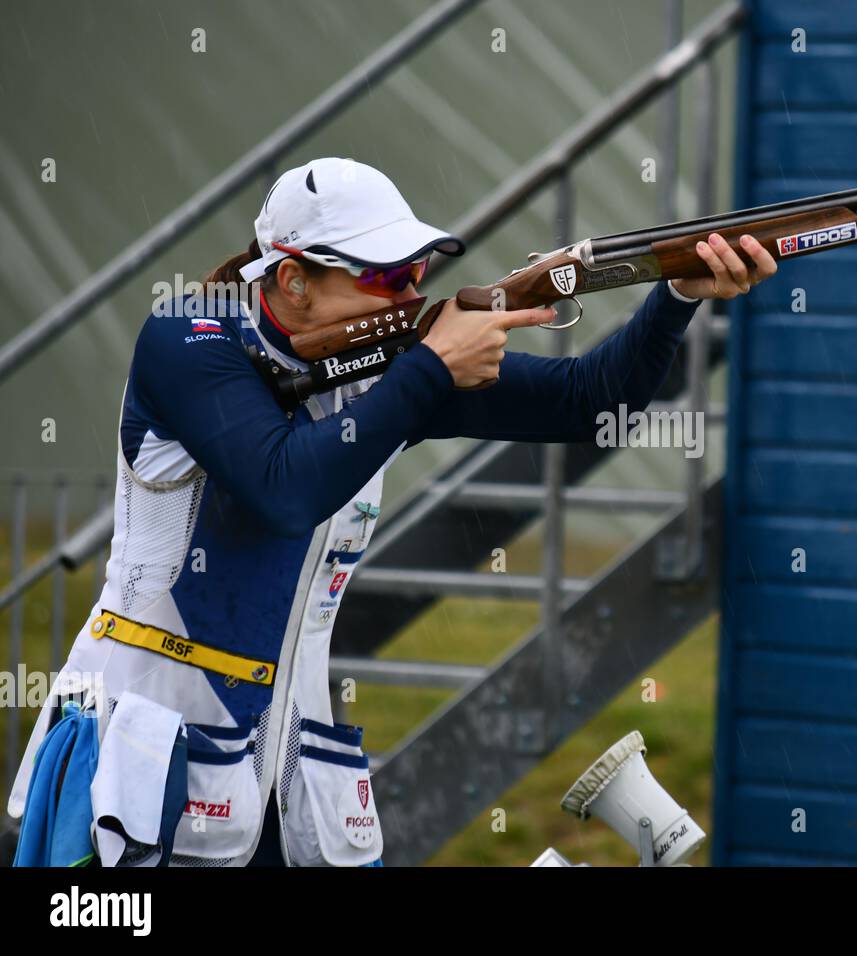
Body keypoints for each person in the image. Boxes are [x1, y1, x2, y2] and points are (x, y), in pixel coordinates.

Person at [6, 157, 776, 866]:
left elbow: (590, 402)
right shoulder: (188, 334)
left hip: (286, 779)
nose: (413, 296)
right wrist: (432, 370)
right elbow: (284, 490)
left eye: (416, 271)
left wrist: (676, 294)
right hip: (142, 759)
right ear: (294, 279)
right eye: (386, 277)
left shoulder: (391, 370)